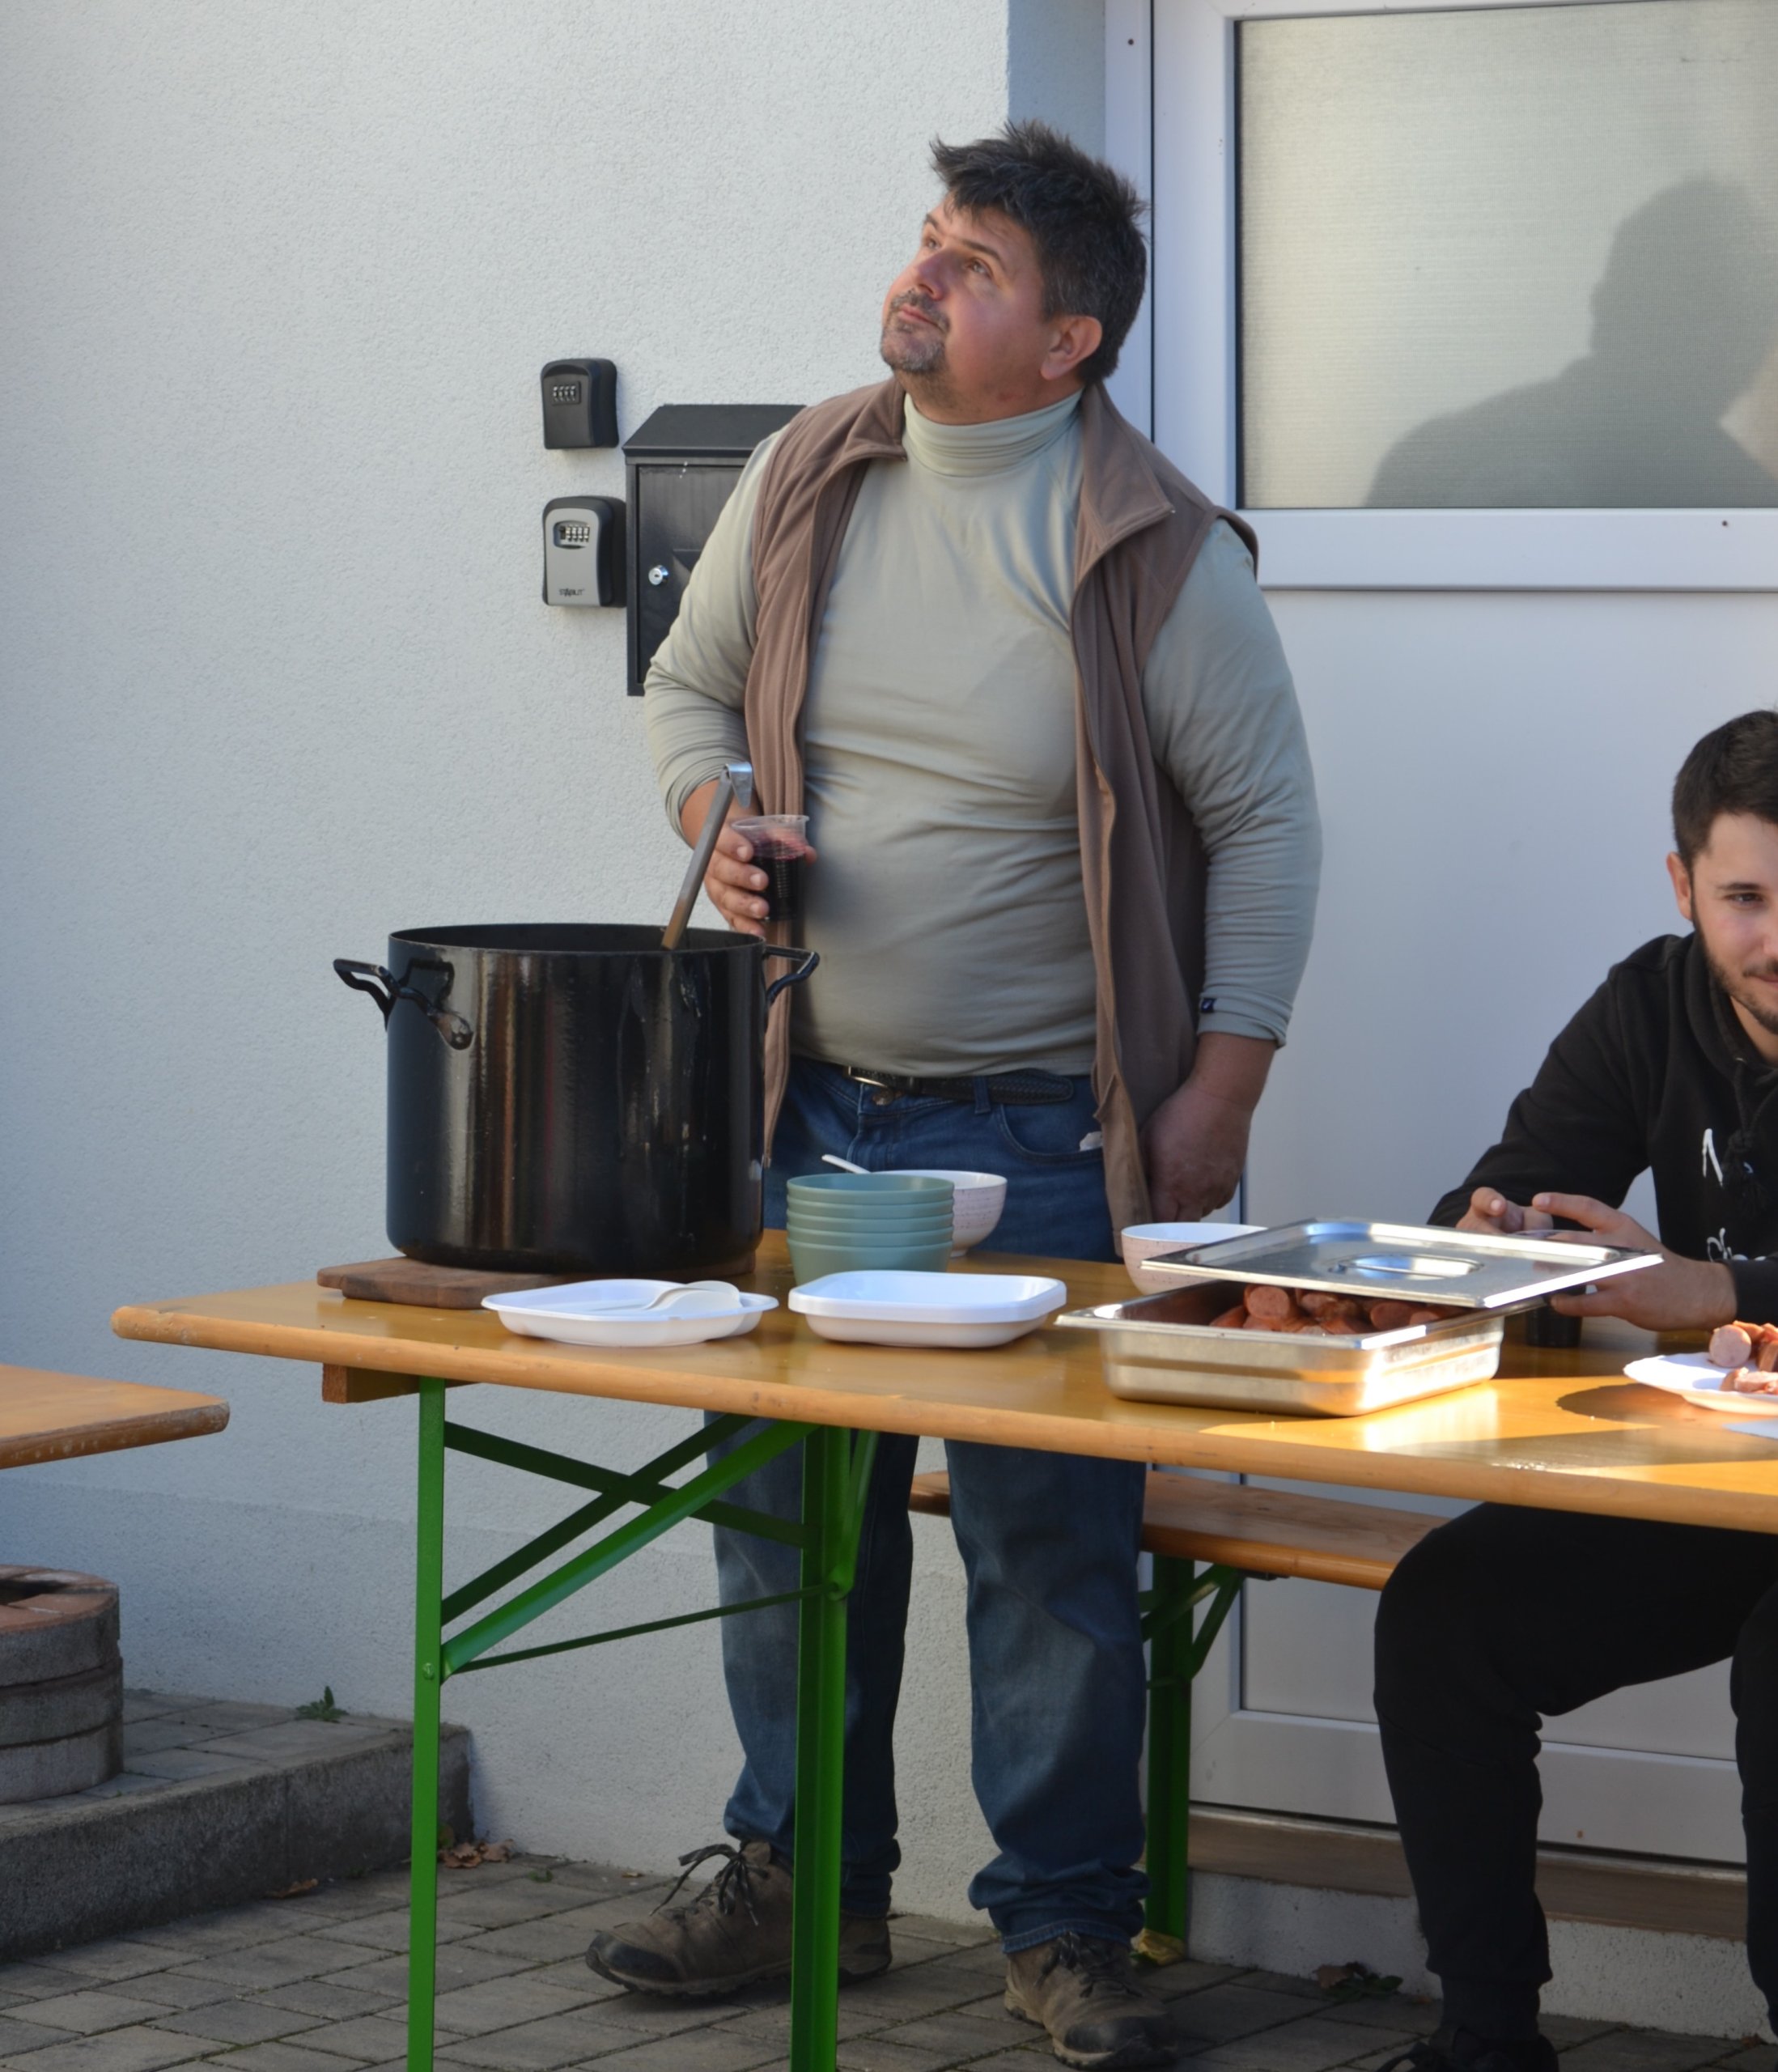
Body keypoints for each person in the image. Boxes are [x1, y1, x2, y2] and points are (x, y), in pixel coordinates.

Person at [597, 121, 1321, 2071]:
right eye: (929, 239)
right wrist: (715, 819)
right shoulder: (810, 469)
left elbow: (1266, 825)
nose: (924, 275)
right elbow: (684, 692)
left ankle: (1067, 1928)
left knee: (1048, 1546)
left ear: (1069, 338)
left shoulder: (1153, 549)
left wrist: (1218, 1091)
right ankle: (800, 1876)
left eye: (975, 263)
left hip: (1045, 1138)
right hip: (806, 1108)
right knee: (781, 1514)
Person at [1374, 709, 1778, 2072]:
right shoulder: (1647, 1004)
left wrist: (1711, 1289)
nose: (1775, 937)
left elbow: (1691, 1290)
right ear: (1682, 886)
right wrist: (1498, 1240)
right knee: (1443, 1616)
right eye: (1743, 898)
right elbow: (1503, 1193)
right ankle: (1484, 2040)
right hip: (1715, 1487)